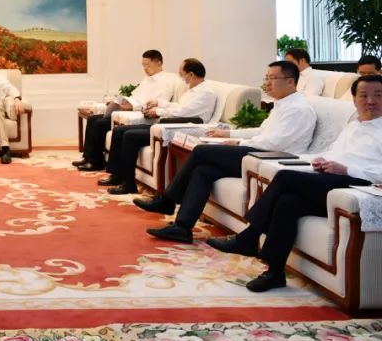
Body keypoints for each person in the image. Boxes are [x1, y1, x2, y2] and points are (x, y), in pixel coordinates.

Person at [207, 74, 382, 292]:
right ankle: (274, 273)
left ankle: (249, 236)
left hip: (359, 186)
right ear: (354, 100)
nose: (370, 101)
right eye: (364, 95)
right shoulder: (353, 126)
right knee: (287, 203)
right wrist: (319, 161)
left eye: (378, 95)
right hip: (332, 182)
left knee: (285, 177)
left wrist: (347, 170)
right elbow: (333, 153)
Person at [136, 60, 318, 242]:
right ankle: (182, 227)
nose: (267, 83)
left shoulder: (298, 109)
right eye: (266, 78)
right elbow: (261, 132)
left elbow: (276, 143)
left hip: (269, 158)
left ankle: (167, 200)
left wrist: (238, 142)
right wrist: (229, 133)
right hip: (258, 150)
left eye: (272, 78)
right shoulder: (282, 105)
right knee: (203, 171)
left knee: (201, 152)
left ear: (290, 81)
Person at [100, 58, 218, 194]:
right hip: (168, 123)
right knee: (120, 130)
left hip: (179, 128)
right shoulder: (193, 90)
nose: (180, 77)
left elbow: (182, 112)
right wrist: (159, 103)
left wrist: (157, 111)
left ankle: (128, 184)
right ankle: (116, 175)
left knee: (130, 136)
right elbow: (179, 106)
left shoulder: (205, 93)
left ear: (191, 75)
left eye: (181, 74)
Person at [74, 50, 179, 172]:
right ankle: (88, 157)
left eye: (148, 65)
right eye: (143, 65)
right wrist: (121, 102)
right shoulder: (147, 79)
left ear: (159, 63)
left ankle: (95, 162)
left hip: (141, 115)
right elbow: (136, 96)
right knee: (93, 119)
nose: (145, 69)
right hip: (130, 109)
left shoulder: (167, 81)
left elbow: (156, 103)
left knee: (100, 123)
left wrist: (130, 107)